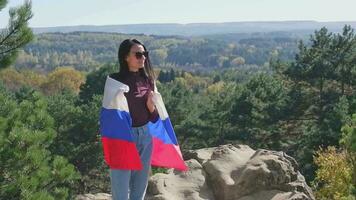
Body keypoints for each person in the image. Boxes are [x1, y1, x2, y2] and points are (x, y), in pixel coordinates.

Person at [99, 39, 188, 200]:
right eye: (138, 54)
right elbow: (107, 115)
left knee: (139, 188)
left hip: (145, 135)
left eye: (145, 54)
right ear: (126, 57)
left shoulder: (148, 81)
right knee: (120, 187)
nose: (143, 58)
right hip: (123, 137)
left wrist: (150, 106)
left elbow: (154, 117)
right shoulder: (114, 81)